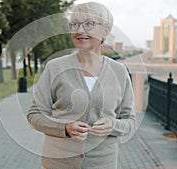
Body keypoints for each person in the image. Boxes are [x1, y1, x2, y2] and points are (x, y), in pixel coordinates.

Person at [27, 2, 137, 169]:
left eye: (88, 24)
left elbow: (130, 121)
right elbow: (34, 115)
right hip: (58, 162)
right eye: (75, 24)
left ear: (105, 31)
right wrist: (64, 127)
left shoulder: (119, 72)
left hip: (102, 163)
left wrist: (112, 125)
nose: (79, 30)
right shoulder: (55, 67)